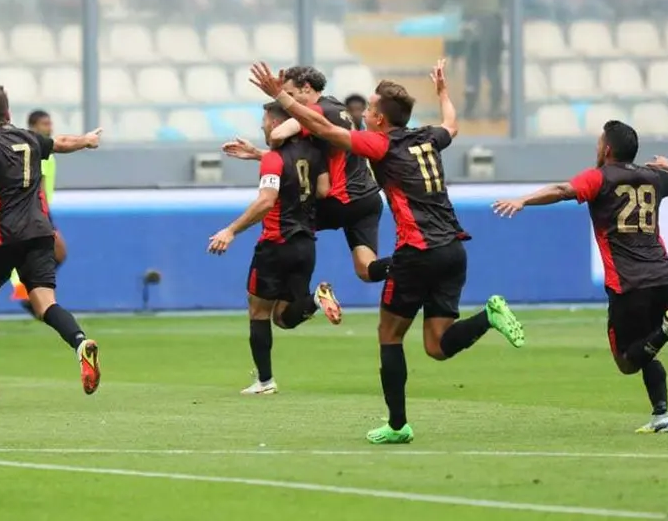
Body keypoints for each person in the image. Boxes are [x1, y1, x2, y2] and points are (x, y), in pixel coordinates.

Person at [248, 60, 525, 444]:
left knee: (389, 335)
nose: (367, 114)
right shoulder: (429, 138)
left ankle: (398, 426)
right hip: (453, 250)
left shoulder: (379, 144)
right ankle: (489, 315)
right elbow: (452, 125)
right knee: (437, 346)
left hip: (417, 252)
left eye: (372, 110)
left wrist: (278, 96)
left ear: (378, 118)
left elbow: (324, 128)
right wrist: (443, 92)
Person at [491, 121, 668, 434]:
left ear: (607, 148)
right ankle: (662, 415)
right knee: (646, 347)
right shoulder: (652, 176)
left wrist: (524, 200)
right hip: (661, 277)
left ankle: (667, 330)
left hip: (628, 282)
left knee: (626, 360)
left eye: (599, 141)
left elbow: (564, 190)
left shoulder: (600, 178)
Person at [0, 87, 103, 402]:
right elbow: (62, 143)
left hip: (2, 237)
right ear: (8, 114)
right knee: (45, 304)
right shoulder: (29, 138)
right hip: (41, 233)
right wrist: (87, 140)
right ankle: (80, 341)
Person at [208, 102, 339, 395]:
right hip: (306, 244)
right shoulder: (316, 154)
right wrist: (259, 154)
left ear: (278, 123)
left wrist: (230, 230)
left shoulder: (275, 159)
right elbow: (323, 191)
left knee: (259, 311)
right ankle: (316, 300)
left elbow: (266, 201)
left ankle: (265, 381)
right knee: (283, 317)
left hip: (276, 244)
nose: (263, 127)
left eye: (266, 121)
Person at [222, 67, 392, 285]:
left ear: (307, 88)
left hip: (340, 200)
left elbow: (277, 134)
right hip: (367, 200)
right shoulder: (339, 109)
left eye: (290, 95)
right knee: (367, 270)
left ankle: (291, 295)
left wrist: (272, 143)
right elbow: (312, 159)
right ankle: (411, 264)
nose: (288, 104)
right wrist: (258, 154)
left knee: (283, 223)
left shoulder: (319, 110)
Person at [9, 110, 69, 312]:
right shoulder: (36, 151)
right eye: (45, 124)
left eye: (50, 123)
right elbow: (38, 187)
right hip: (36, 212)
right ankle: (33, 293)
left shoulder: (45, 149)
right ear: (33, 126)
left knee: (8, 258)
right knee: (58, 252)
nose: (50, 127)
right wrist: (45, 218)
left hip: (35, 211)